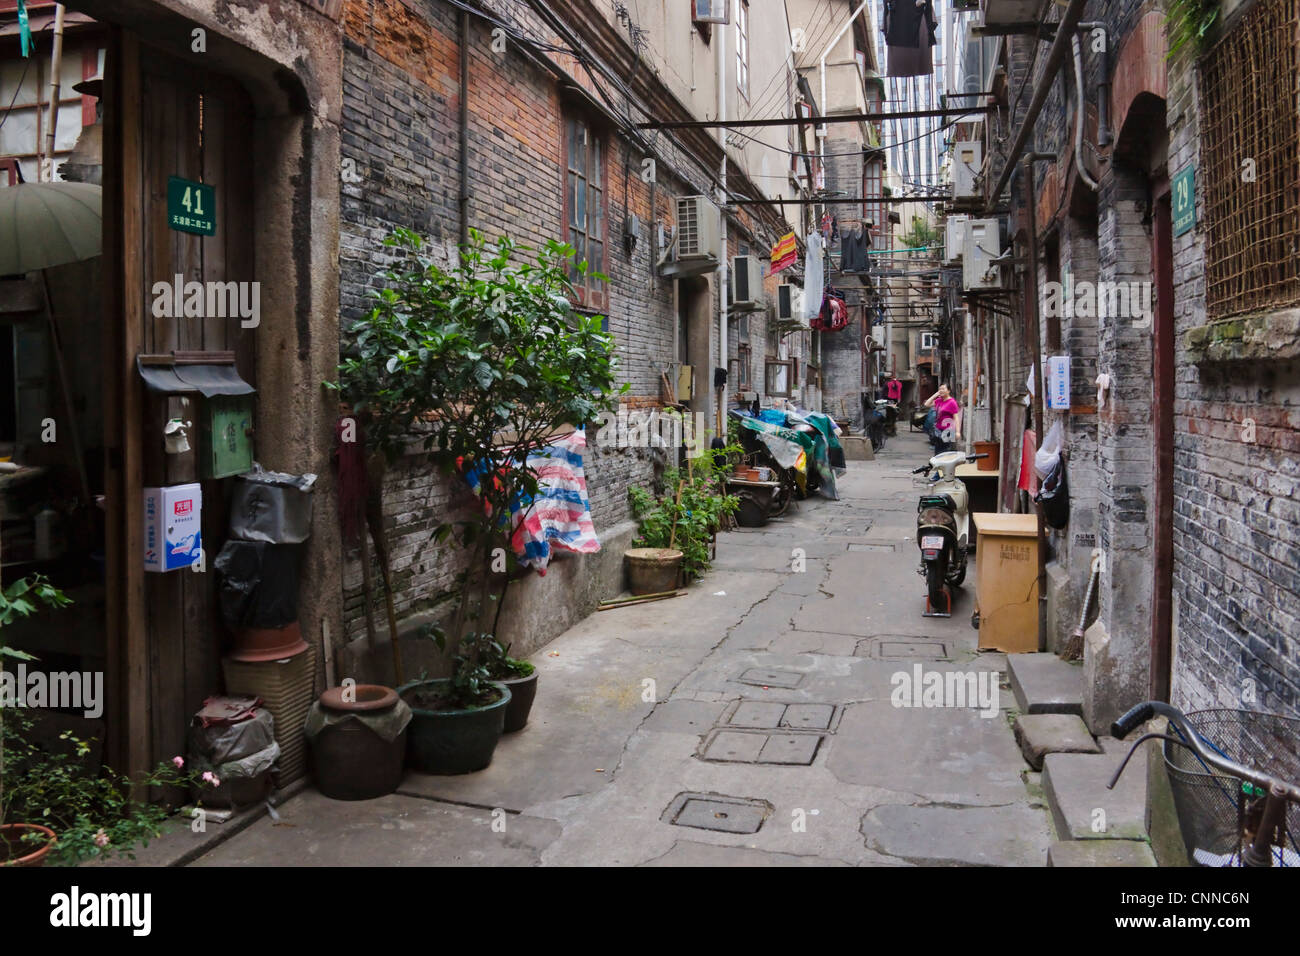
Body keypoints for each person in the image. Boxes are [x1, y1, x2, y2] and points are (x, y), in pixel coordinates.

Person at [923, 383, 961, 453]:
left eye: (943, 389)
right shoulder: (939, 400)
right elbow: (926, 404)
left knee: (945, 452)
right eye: (940, 389)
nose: (941, 390)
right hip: (938, 430)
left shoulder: (952, 402)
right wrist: (936, 394)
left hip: (948, 430)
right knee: (938, 452)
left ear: (948, 391)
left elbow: (956, 418)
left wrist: (958, 432)